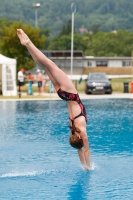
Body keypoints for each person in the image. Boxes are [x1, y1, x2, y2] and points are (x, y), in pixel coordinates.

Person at [17, 29, 90, 170]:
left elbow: (85, 150)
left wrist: (89, 166)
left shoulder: (82, 129)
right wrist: (84, 167)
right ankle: (26, 45)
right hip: (62, 94)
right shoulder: (73, 127)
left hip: (70, 93)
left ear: (80, 138)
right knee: (44, 66)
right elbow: (79, 149)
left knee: (49, 64)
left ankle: (28, 43)